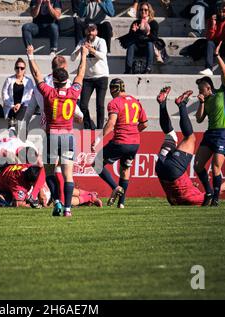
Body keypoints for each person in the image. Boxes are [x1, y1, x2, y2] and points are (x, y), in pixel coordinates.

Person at [27, 44, 87, 217]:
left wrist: (30, 55)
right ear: (66, 78)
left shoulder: (48, 93)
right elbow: (81, 74)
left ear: (53, 80)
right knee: (68, 175)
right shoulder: (73, 92)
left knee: (49, 171)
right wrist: (83, 55)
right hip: (68, 136)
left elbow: (36, 75)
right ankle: (67, 209)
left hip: (51, 136)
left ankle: (58, 201)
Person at [155, 85, 225, 206]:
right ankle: (162, 103)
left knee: (190, 138)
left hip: (174, 172)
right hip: (160, 169)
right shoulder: (180, 200)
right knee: (170, 135)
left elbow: (220, 190)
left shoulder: (200, 199)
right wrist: (192, 186)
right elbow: (180, 192)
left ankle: (182, 105)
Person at [92, 78, 148, 209]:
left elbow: (111, 123)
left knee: (97, 164)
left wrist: (98, 139)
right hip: (134, 143)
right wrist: (132, 132)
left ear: (113, 89)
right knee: (125, 169)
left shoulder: (114, 102)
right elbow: (144, 123)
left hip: (120, 141)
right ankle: (121, 203)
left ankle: (115, 187)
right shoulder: (135, 101)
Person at [194, 41, 225, 207]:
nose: (199, 91)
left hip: (223, 133)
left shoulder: (222, 93)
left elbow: (224, 72)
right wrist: (201, 103)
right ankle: (209, 191)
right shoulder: (206, 100)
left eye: (201, 88)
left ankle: (215, 198)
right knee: (198, 165)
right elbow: (199, 119)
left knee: (215, 168)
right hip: (210, 134)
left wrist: (217, 56)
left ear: (208, 87)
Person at [71, 23, 109, 130]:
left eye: (93, 30)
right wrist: (80, 50)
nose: (90, 33)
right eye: (88, 30)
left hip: (101, 76)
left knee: (100, 105)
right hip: (87, 78)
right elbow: (72, 58)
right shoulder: (82, 41)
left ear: (96, 32)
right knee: (83, 105)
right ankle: (89, 126)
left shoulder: (101, 41)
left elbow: (102, 55)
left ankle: (100, 128)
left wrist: (91, 50)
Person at [200, 1, 225, 76]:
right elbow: (209, 37)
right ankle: (209, 69)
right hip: (215, 43)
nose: (221, 13)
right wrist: (213, 25)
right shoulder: (213, 19)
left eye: (224, 11)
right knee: (210, 43)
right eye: (220, 11)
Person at [123, 2, 160, 74]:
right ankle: (128, 69)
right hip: (137, 48)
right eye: (141, 10)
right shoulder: (136, 22)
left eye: (146, 10)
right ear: (139, 11)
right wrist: (133, 32)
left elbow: (155, 39)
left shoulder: (153, 23)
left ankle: (148, 68)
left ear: (149, 12)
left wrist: (148, 33)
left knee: (149, 43)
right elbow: (129, 39)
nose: (143, 11)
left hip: (148, 49)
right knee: (131, 44)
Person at [1, 58, 35, 129]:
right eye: (17, 67)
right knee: (12, 125)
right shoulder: (9, 80)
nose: (19, 70)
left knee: (21, 116)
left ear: (24, 70)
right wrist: (12, 105)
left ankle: (20, 137)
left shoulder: (29, 81)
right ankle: (13, 136)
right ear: (14, 68)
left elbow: (30, 96)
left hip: (23, 106)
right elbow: (4, 94)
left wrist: (20, 104)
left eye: (22, 68)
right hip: (11, 106)